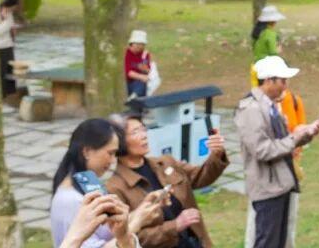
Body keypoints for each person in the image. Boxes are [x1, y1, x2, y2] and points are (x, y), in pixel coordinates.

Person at [234, 55, 319, 248]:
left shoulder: (270, 106)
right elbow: (262, 150)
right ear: (268, 80)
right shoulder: (250, 109)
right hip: (267, 189)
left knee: (279, 242)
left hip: (280, 185)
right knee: (267, 242)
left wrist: (306, 134)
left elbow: (283, 142)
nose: (286, 86)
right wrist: (294, 138)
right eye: (282, 80)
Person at [107, 113, 230, 248]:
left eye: (143, 129)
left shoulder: (165, 163)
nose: (144, 135)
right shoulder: (114, 188)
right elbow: (128, 237)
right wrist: (175, 226)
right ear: (118, 141)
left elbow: (201, 177)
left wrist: (216, 154)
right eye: (135, 132)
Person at [50, 118, 164, 248]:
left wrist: (140, 212)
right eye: (110, 153)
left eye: (115, 154)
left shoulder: (88, 184)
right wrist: (135, 224)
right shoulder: (70, 200)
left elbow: (107, 230)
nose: (112, 160)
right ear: (87, 152)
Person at [0, 0, 19, 100]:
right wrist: (7, 22)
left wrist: (12, 28)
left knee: (10, 70)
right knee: (1, 71)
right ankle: (1, 95)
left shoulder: (9, 14)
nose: (12, 11)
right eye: (12, 8)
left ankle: (10, 95)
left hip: (8, 45)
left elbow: (10, 26)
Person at [125, 30, 152, 99]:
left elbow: (148, 71)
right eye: (138, 45)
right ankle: (134, 95)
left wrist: (145, 69)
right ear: (132, 44)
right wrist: (141, 76)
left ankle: (135, 96)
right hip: (130, 82)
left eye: (142, 45)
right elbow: (129, 72)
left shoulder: (145, 54)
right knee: (141, 82)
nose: (140, 47)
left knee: (142, 83)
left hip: (142, 83)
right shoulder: (127, 54)